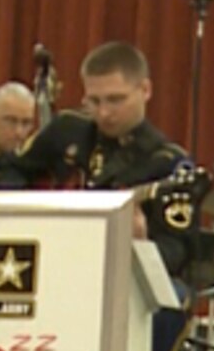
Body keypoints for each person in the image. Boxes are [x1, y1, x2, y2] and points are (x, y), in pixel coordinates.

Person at [17, 41, 198, 279]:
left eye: (115, 100)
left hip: (122, 284)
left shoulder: (168, 162)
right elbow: (13, 174)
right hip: (51, 267)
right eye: (94, 101)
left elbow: (179, 254)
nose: (103, 112)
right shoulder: (66, 130)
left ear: (145, 90)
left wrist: (140, 245)